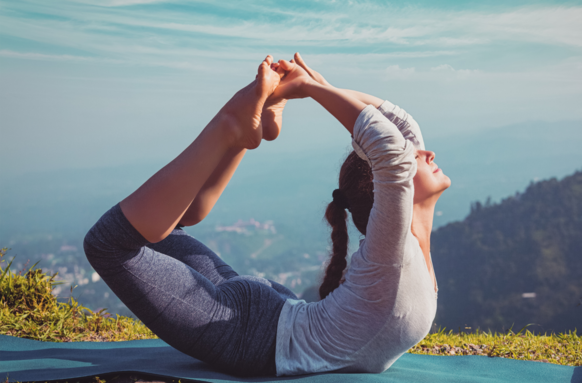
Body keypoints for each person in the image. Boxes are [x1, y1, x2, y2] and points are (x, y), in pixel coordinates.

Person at [83, 53, 451, 377]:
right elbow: (396, 139)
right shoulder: (394, 249)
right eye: (416, 155)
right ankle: (231, 128)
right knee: (113, 242)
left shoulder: (395, 249)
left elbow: (397, 141)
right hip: (254, 330)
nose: (426, 152)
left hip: (263, 321)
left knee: (145, 233)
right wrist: (316, 87)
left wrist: (312, 88)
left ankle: (240, 135)